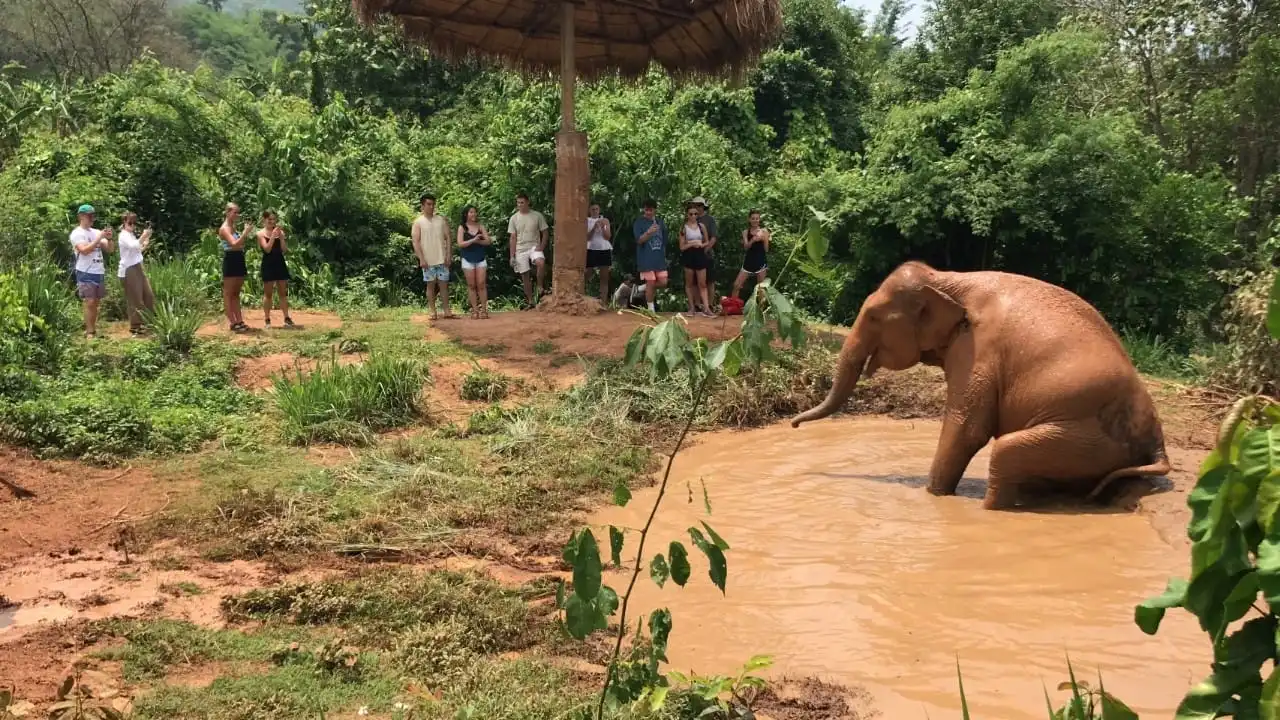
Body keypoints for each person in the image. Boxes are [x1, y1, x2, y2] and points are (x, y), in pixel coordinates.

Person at [69, 204, 113, 338]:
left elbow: (110, 249)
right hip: (85, 271)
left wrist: (110, 238)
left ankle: (92, 328)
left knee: (96, 302)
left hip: (98, 270)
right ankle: (90, 332)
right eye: (89, 215)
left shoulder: (95, 232)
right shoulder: (77, 233)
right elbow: (84, 250)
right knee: (90, 301)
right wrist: (99, 238)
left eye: (93, 215)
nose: (92, 218)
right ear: (81, 216)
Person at [412, 193, 454, 320]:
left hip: (441, 258)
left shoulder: (441, 220)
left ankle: (446, 310)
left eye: (433, 204)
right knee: (430, 285)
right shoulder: (418, 222)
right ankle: (432, 310)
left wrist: (448, 255)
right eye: (428, 204)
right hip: (428, 260)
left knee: (443, 285)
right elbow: (415, 241)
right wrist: (421, 258)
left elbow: (448, 238)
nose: (431, 207)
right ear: (422, 206)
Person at [507, 193, 549, 308]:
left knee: (540, 262)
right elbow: (513, 237)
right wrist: (512, 256)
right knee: (525, 275)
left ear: (527, 202)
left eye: (522, 202)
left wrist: (541, 246)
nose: (520, 205)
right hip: (520, 249)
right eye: (518, 203)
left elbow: (545, 232)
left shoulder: (537, 216)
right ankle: (530, 301)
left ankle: (540, 287)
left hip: (534, 246)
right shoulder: (514, 218)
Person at [116, 212, 155, 336]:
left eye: (134, 223)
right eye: (129, 223)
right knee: (135, 299)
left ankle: (149, 322)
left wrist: (145, 242)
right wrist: (143, 236)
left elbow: (137, 249)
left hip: (138, 266)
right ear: (124, 223)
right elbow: (133, 246)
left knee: (149, 296)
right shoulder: (123, 235)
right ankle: (135, 326)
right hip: (129, 269)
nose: (132, 225)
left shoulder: (131, 234)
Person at [218, 202, 254, 332]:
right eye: (235, 212)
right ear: (227, 213)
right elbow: (234, 244)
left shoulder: (233, 228)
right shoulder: (224, 229)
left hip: (239, 258)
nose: (237, 215)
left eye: (238, 212)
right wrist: (245, 233)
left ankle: (239, 320)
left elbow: (240, 244)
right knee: (228, 293)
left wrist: (244, 234)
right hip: (231, 260)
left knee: (236, 293)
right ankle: (232, 322)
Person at [258, 209, 293, 328]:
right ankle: (267, 320)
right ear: (264, 219)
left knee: (283, 292)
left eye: (274, 219)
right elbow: (267, 249)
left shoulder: (279, 233)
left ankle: (287, 318)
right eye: (269, 219)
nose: (272, 222)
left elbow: (284, 250)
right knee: (268, 294)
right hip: (268, 264)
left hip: (279, 262)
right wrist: (272, 236)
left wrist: (282, 238)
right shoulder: (260, 234)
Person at [632, 199, 669, 313]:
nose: (648, 212)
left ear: (655, 210)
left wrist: (664, 255)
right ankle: (650, 309)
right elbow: (639, 240)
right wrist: (649, 232)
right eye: (646, 210)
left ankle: (640, 288)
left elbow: (664, 240)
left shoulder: (660, 222)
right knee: (651, 282)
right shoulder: (639, 222)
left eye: (650, 210)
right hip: (645, 259)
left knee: (663, 282)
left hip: (659, 259)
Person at [678, 204, 714, 317]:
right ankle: (692, 308)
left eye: (695, 214)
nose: (693, 216)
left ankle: (707, 308)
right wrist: (691, 244)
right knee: (689, 283)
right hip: (688, 255)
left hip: (700, 254)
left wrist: (701, 245)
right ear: (687, 215)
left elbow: (707, 242)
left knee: (702, 283)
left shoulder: (701, 226)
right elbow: (681, 247)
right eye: (691, 214)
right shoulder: (683, 228)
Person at [457, 204, 491, 319]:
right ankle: (475, 310)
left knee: (481, 284)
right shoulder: (462, 227)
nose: (473, 214)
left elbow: (488, 241)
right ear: (466, 214)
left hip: (480, 258)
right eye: (471, 212)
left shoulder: (480, 226)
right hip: (467, 258)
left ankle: (484, 310)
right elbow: (460, 244)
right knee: (471, 285)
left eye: (474, 212)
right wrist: (473, 240)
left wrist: (478, 242)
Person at [733, 210, 771, 300]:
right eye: (753, 218)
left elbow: (766, 249)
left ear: (759, 220)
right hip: (749, 261)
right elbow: (746, 247)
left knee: (761, 289)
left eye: (757, 218)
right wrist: (753, 240)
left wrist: (764, 239)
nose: (755, 220)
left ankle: (760, 311)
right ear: (749, 219)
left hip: (760, 261)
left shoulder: (764, 231)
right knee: (736, 285)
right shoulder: (745, 232)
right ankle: (733, 305)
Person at [689, 196, 719, 310]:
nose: (697, 207)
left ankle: (710, 304)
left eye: (699, 205)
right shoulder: (691, 219)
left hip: (707, 254)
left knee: (709, 280)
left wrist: (705, 249)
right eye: (695, 205)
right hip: (693, 253)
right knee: (695, 281)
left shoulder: (709, 220)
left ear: (703, 206)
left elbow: (714, 237)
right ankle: (697, 304)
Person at [585, 204, 613, 306]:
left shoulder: (605, 220)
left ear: (599, 210)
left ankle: (604, 302)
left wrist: (603, 227)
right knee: (588, 272)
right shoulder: (587, 220)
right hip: (591, 248)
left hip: (604, 248)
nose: (595, 211)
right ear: (589, 210)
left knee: (604, 276)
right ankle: (583, 295)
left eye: (597, 209)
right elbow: (587, 238)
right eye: (593, 209)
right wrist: (593, 228)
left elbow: (607, 236)